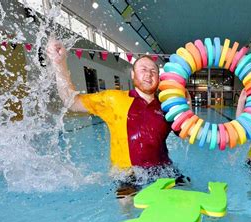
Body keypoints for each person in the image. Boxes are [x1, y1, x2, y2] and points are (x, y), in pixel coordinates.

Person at [46, 38, 188, 196]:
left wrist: (185, 108)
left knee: (188, 199)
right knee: (126, 206)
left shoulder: (167, 106)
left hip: (163, 172)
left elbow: (187, 134)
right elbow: (71, 101)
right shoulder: (114, 99)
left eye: (153, 71)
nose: (148, 74)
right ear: (133, 74)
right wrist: (60, 64)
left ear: (159, 77)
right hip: (127, 175)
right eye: (143, 69)